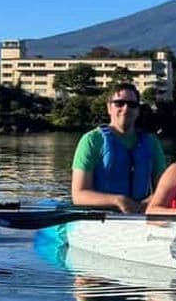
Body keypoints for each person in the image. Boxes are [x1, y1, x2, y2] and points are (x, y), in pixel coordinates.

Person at [71, 83, 167, 213]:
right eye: (119, 103)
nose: (126, 108)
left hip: (140, 214)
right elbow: (78, 195)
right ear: (109, 108)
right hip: (101, 218)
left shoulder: (152, 143)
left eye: (132, 105)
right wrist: (118, 200)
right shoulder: (91, 140)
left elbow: (164, 189)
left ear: (138, 110)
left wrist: (150, 201)